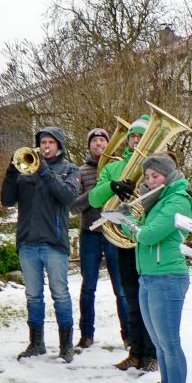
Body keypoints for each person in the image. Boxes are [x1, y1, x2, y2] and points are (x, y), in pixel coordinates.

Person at [112, 154, 192, 383]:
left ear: (169, 174)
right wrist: (131, 216)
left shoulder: (177, 200)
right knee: (159, 341)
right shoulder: (157, 200)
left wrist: (126, 222)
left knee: (169, 342)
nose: (151, 182)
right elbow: (143, 229)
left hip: (167, 277)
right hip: (149, 275)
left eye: (156, 176)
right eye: (149, 177)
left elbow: (150, 234)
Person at [1, 126, 79, 362]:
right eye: (42, 142)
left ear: (59, 146)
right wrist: (10, 173)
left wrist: (45, 171)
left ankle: (66, 346)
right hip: (27, 242)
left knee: (60, 294)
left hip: (54, 242)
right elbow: (6, 200)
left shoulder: (69, 170)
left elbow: (68, 197)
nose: (45, 146)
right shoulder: (26, 169)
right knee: (33, 296)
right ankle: (36, 343)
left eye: (50, 143)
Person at [88, 114, 158, 372]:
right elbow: (95, 200)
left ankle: (152, 355)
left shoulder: (157, 164)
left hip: (149, 241)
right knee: (131, 297)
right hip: (123, 239)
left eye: (140, 136)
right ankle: (136, 351)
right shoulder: (113, 167)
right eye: (132, 137)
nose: (136, 141)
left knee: (149, 301)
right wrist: (112, 188)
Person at [69, 127, 129, 349]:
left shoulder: (120, 168)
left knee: (121, 288)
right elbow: (74, 207)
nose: (100, 145)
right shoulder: (80, 171)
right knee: (88, 286)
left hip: (115, 232)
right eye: (94, 142)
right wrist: (99, 192)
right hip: (90, 233)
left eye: (103, 141)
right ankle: (86, 335)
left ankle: (128, 335)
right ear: (89, 146)